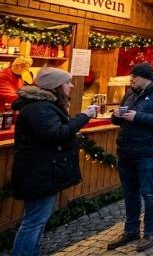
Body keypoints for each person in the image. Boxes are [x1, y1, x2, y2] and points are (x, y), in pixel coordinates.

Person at [11, 68, 97, 255]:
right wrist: (84, 117)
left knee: (37, 220)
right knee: (34, 222)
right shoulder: (39, 108)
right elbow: (56, 134)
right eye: (67, 82)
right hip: (40, 173)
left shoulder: (42, 105)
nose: (71, 86)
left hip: (43, 171)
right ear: (55, 86)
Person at [107, 63, 153, 252]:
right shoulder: (130, 94)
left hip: (148, 152)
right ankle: (131, 230)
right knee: (130, 193)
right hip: (126, 150)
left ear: (145, 77)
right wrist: (117, 116)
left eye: (134, 78)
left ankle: (150, 232)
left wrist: (138, 116)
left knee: (149, 193)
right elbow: (119, 119)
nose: (131, 81)